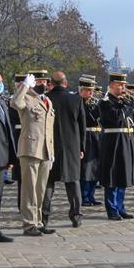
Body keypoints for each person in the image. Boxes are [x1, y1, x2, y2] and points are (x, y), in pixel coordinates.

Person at [11, 71, 57, 236]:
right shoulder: (26, 98)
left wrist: (51, 151)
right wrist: (25, 85)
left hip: (45, 151)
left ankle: (38, 222)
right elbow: (15, 102)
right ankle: (29, 224)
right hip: (30, 150)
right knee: (29, 190)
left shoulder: (47, 100)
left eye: (45, 81)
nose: (43, 83)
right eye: (39, 81)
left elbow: (48, 129)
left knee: (40, 190)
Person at [43, 71, 86, 228]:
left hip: (49, 147)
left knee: (48, 184)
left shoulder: (46, 99)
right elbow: (82, 126)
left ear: (51, 84)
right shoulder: (76, 99)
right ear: (66, 83)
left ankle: (44, 216)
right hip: (71, 147)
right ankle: (76, 215)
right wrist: (82, 147)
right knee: (73, 183)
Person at [98, 72, 134, 221]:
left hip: (127, 139)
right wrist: (129, 106)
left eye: (124, 84)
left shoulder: (125, 101)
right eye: (120, 84)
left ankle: (121, 207)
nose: (124, 87)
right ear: (111, 85)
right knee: (113, 175)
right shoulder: (105, 101)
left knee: (123, 174)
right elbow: (117, 118)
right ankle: (112, 209)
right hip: (113, 140)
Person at [0, 72, 16, 242]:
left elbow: (8, 133)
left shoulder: (2, 103)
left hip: (1, 159)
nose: (0, 84)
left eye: (0, 82)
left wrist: (11, 157)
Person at [78, 78, 102, 206]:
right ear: (81, 90)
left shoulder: (94, 103)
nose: (91, 93)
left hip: (97, 136)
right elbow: (91, 118)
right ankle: (84, 196)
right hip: (86, 136)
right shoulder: (78, 103)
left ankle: (91, 195)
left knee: (95, 168)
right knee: (86, 168)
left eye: (92, 90)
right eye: (88, 90)